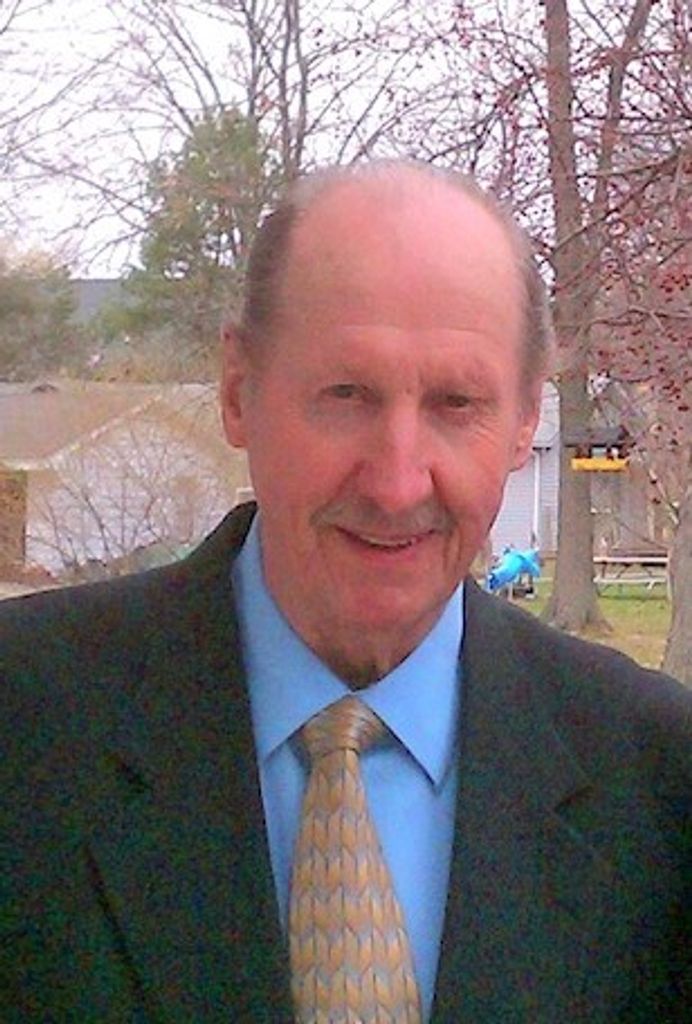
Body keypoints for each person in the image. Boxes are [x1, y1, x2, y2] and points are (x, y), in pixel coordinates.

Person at [1, 161, 690, 1023]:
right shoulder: (23, 725)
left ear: (523, 424)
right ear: (237, 391)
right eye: (346, 394)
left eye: (456, 403)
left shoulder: (660, 786)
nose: (398, 484)